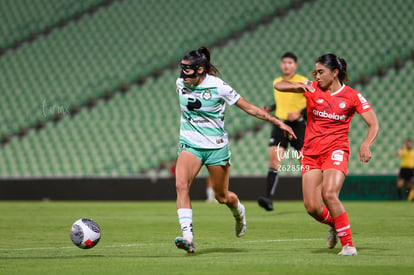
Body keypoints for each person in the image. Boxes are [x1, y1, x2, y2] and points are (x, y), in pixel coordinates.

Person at [174, 46, 296, 254]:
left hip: (216, 147)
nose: (184, 75)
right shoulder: (180, 83)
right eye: (183, 69)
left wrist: (278, 122)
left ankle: (238, 211)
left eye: (189, 70)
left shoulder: (219, 87)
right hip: (190, 144)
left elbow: (250, 108)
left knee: (222, 197)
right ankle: (188, 237)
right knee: (181, 185)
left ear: (201, 70)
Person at [274, 53, 380, 256]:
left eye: (321, 72)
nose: (317, 75)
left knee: (329, 193)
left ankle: (348, 245)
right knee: (312, 207)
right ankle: (335, 224)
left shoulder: (352, 96)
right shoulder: (312, 87)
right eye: (316, 72)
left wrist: (366, 144)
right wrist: (300, 86)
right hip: (311, 153)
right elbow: (279, 86)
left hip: (336, 150)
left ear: (335, 72)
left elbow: (373, 123)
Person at [258, 52, 308, 211]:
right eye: (284, 62)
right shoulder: (277, 82)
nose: (286, 65)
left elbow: (315, 103)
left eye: (290, 62)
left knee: (305, 163)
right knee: (274, 161)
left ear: (295, 65)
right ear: (281, 64)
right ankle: (268, 199)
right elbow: (282, 102)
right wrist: (271, 108)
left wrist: (300, 113)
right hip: (280, 124)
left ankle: (312, 198)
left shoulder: (303, 81)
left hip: (298, 126)